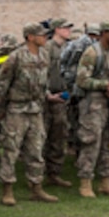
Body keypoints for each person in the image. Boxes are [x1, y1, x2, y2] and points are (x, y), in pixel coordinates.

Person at [0, 23, 59, 205]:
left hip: (35, 109)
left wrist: (47, 96)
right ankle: (7, 189)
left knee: (36, 149)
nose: (45, 37)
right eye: (41, 35)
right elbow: (1, 83)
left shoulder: (44, 55)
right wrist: (0, 108)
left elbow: (43, 81)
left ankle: (36, 187)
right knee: (11, 150)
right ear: (30, 37)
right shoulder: (16, 57)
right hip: (16, 109)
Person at [74, 20, 109, 198]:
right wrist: (103, 84)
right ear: (104, 33)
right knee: (91, 142)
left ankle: (106, 181)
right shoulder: (92, 53)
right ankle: (85, 182)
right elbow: (81, 80)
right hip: (93, 104)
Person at [42, 18, 74, 188]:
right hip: (47, 97)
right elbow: (41, 72)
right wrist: (47, 94)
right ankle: (37, 174)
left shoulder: (68, 48)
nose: (68, 30)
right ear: (56, 29)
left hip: (62, 97)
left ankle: (54, 173)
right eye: (65, 28)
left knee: (59, 136)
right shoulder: (47, 47)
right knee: (42, 136)